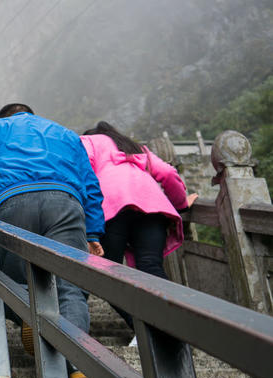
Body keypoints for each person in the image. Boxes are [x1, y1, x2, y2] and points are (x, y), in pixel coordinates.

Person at [0, 103, 104, 378]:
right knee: (70, 287)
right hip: (65, 202)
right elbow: (90, 185)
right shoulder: (66, 134)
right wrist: (93, 233)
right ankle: (76, 360)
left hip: (13, 203)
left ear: (4, 117)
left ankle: (30, 313)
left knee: (11, 281)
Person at [81, 121, 197, 343]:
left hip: (111, 206)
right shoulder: (135, 147)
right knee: (151, 266)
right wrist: (180, 204)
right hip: (152, 206)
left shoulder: (88, 142)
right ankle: (171, 327)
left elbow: (82, 175)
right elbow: (167, 173)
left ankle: (145, 328)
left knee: (106, 272)